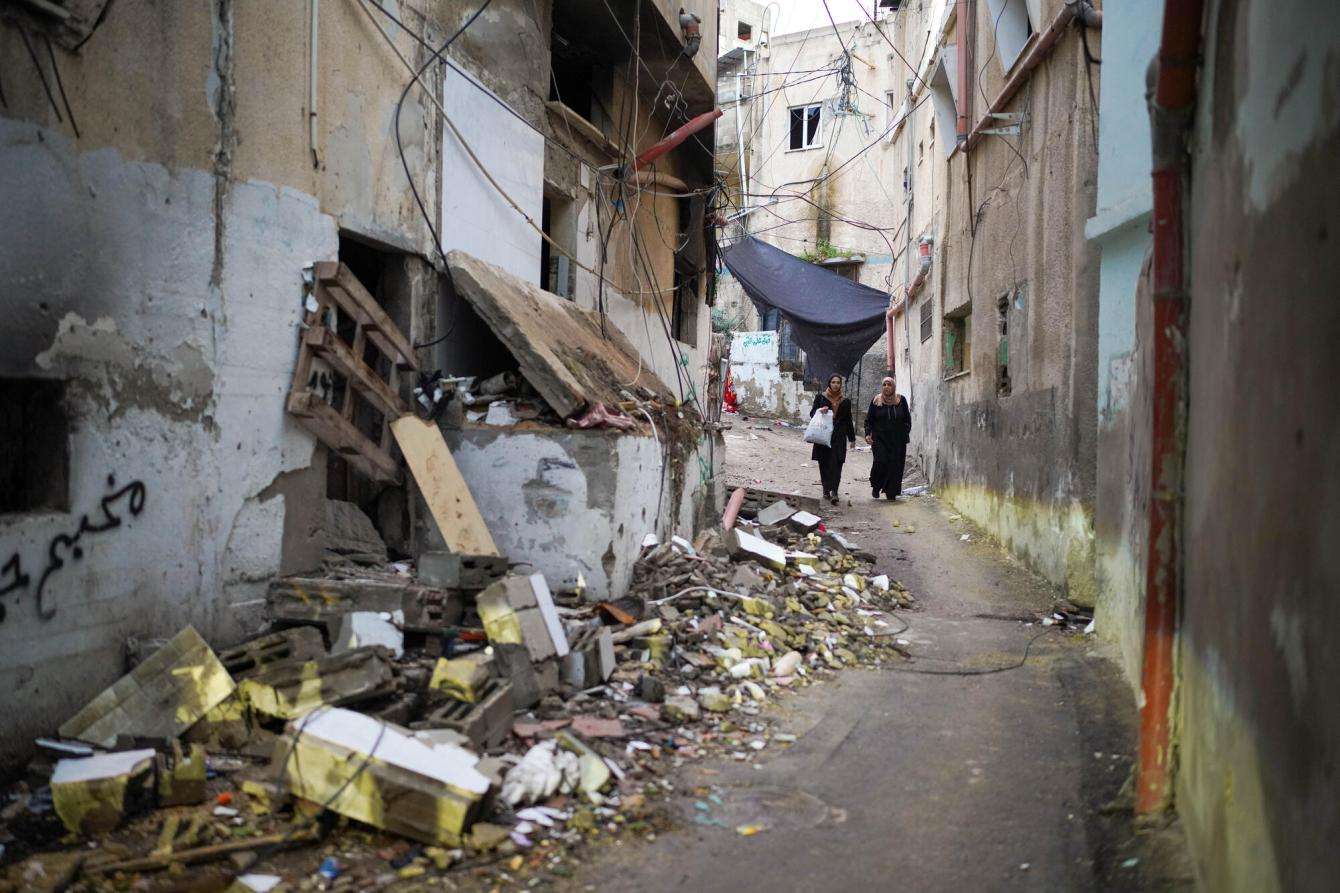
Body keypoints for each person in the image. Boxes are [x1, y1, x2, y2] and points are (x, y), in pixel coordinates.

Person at [810, 374, 855, 505]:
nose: (836, 385)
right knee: (824, 462)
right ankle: (826, 489)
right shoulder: (821, 397)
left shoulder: (845, 401)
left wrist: (851, 438)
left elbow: (848, 420)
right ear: (829, 383)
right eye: (833, 382)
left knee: (837, 463)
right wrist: (820, 411)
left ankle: (834, 491)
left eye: (838, 383)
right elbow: (812, 413)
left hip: (839, 436)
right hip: (824, 434)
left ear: (841, 385)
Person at [864, 375, 911, 500]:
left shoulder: (901, 400)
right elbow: (869, 420)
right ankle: (876, 485)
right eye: (884, 384)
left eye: (889, 384)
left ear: (893, 387)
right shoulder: (876, 401)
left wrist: (905, 432)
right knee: (880, 461)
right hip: (880, 438)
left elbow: (907, 419)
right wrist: (868, 433)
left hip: (897, 440)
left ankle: (891, 492)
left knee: (895, 465)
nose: (886, 387)